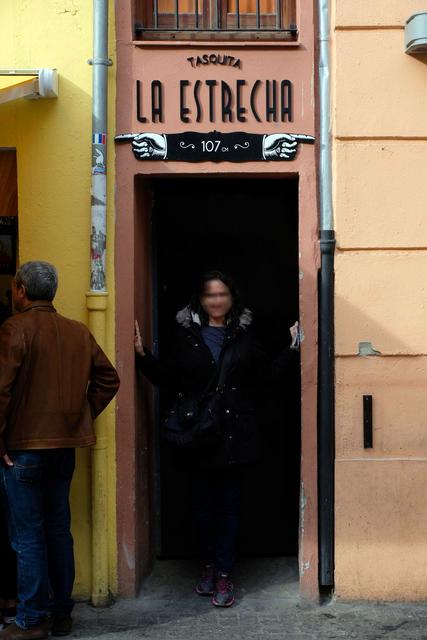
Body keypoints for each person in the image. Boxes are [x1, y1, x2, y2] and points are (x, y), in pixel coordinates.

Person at [135, 270, 299, 608]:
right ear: (201, 299)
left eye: (222, 294)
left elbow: (267, 375)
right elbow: (168, 377)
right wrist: (142, 355)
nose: (217, 300)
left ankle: (224, 572)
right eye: (211, 295)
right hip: (198, 435)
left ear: (232, 298)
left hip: (233, 435)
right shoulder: (187, 336)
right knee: (201, 507)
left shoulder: (244, 335)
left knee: (229, 507)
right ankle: (208, 567)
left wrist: (293, 348)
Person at [0, 261, 120, 640]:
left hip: (22, 449)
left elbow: (1, 391)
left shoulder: (13, 328)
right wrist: (79, 416)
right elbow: (108, 379)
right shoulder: (77, 331)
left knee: (28, 536)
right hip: (63, 448)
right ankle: (61, 614)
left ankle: (32, 621)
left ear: (20, 289)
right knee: (57, 529)